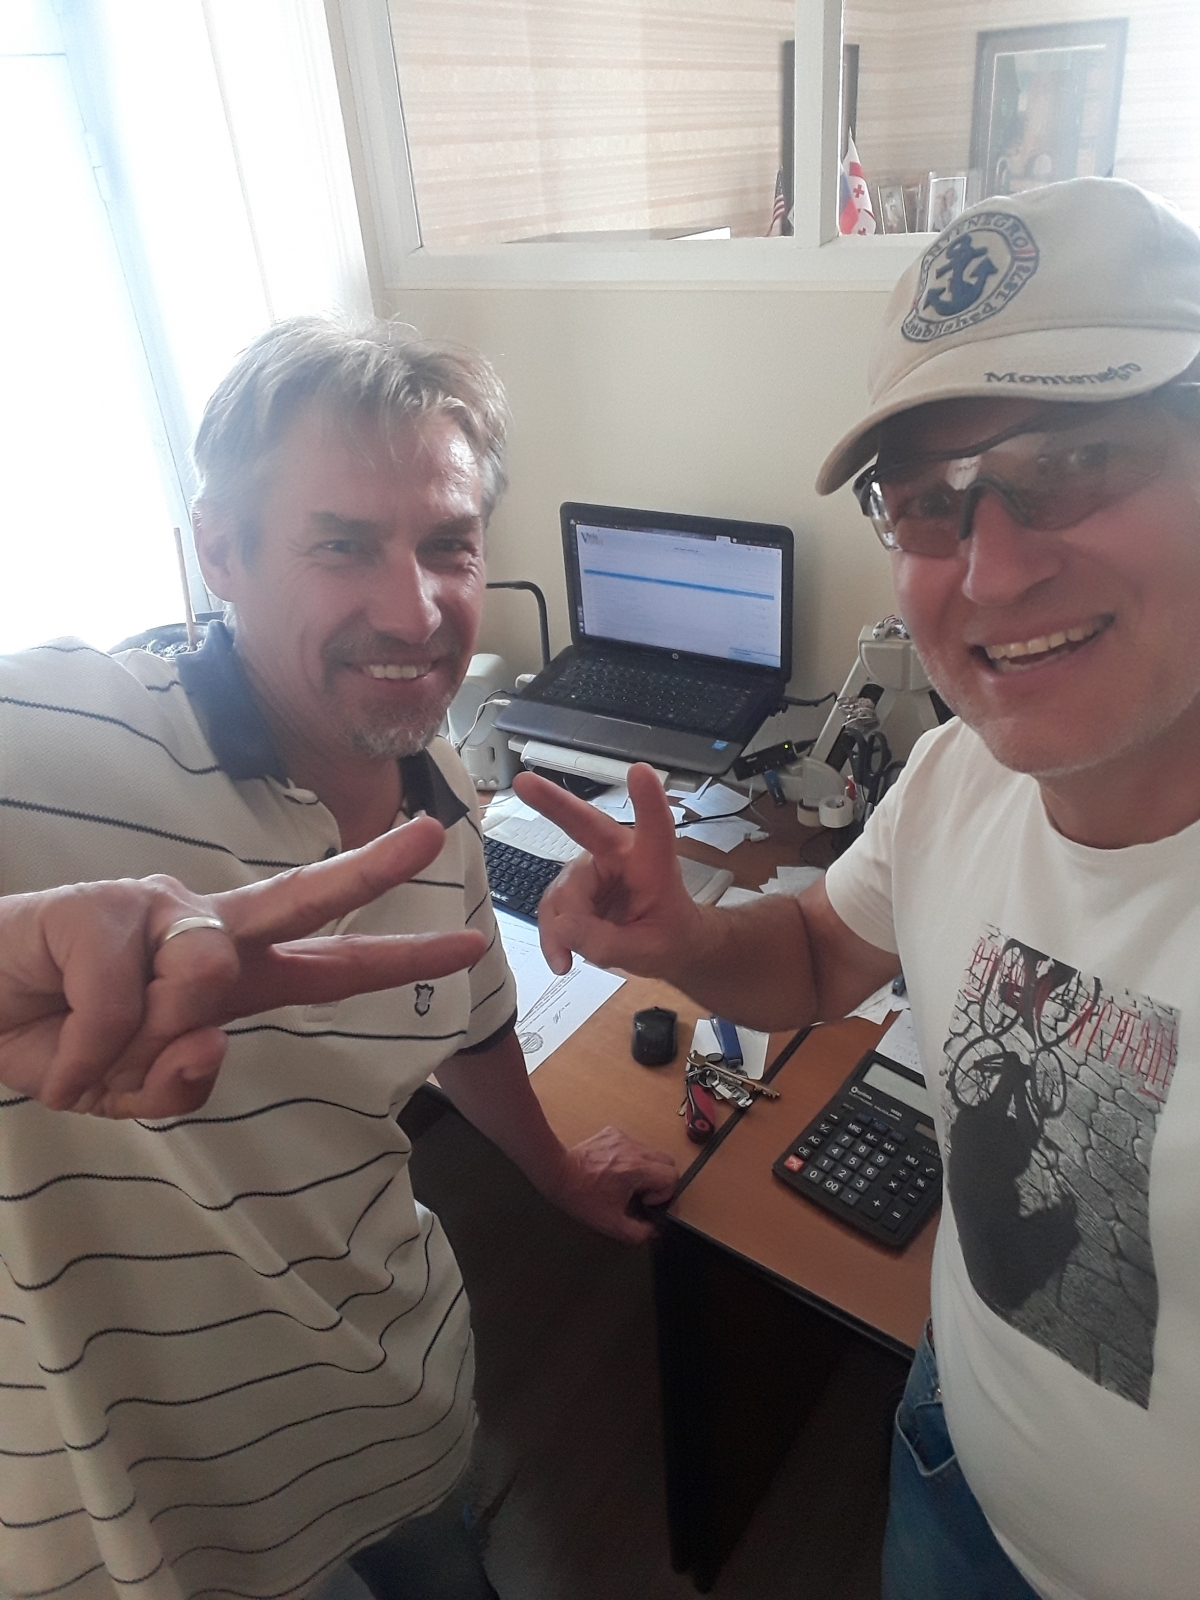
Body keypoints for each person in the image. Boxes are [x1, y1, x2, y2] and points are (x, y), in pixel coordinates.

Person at [514, 177, 1200, 1600]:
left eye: (1074, 458)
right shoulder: (954, 776)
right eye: (930, 504)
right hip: (953, 1466)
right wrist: (689, 937)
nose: (991, 569)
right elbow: (825, 954)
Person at [0, 319, 676, 1600]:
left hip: (400, 1412)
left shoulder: (440, 789)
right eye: (343, 544)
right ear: (221, 551)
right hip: (142, 1532)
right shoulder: (52, 742)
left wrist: (553, 1169)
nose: (415, 611)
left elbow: (469, 1014)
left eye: (447, 544)